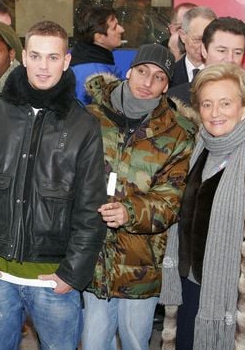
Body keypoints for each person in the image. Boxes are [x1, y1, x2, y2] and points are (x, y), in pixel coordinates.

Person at [0, 20, 108, 350]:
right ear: (23, 57)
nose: (43, 66)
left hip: (54, 281)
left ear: (66, 61)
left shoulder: (83, 126)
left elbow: (90, 208)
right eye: (37, 56)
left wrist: (72, 274)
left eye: (53, 57)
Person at [81, 44, 195, 350]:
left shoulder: (179, 135)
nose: (148, 82)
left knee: (135, 340)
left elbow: (172, 201)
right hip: (93, 258)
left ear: (166, 86)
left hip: (142, 263)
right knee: (93, 341)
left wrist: (129, 212)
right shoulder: (89, 117)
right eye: (142, 71)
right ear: (129, 71)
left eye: (158, 77)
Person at [160, 62, 245, 350]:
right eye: (207, 104)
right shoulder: (197, 150)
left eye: (225, 103)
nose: (215, 113)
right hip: (189, 289)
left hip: (234, 301)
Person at [168, 17, 245, 138]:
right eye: (222, 50)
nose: (229, 59)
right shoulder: (175, 100)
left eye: (237, 52)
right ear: (204, 50)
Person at [70, 5, 125, 104]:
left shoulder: (86, 57)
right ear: (99, 38)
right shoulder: (95, 74)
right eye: (114, 27)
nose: (121, 30)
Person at [170, 6, 217, 87]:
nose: (203, 47)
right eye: (197, 40)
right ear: (183, 36)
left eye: (208, 40)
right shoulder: (169, 75)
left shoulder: (225, 76)